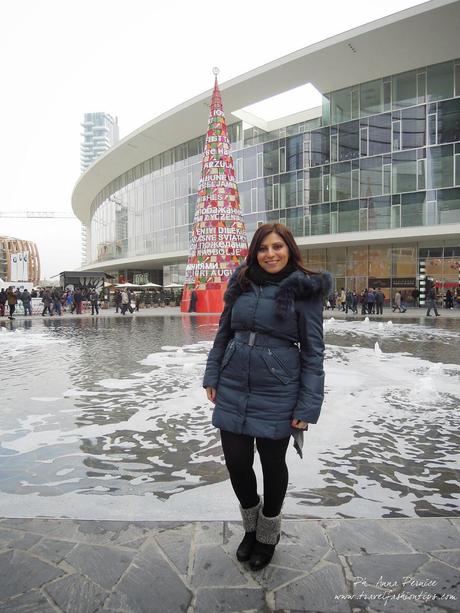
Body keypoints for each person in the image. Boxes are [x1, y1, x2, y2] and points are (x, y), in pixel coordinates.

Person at [203, 223, 330, 571]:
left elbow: (314, 351)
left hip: (278, 389)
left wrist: (308, 405)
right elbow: (224, 331)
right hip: (232, 384)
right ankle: (250, 526)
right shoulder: (241, 281)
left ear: (289, 249)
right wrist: (212, 373)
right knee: (237, 462)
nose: (270, 253)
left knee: (273, 464)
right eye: (263, 248)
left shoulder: (305, 289)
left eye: (277, 246)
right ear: (254, 251)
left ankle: (268, 532)